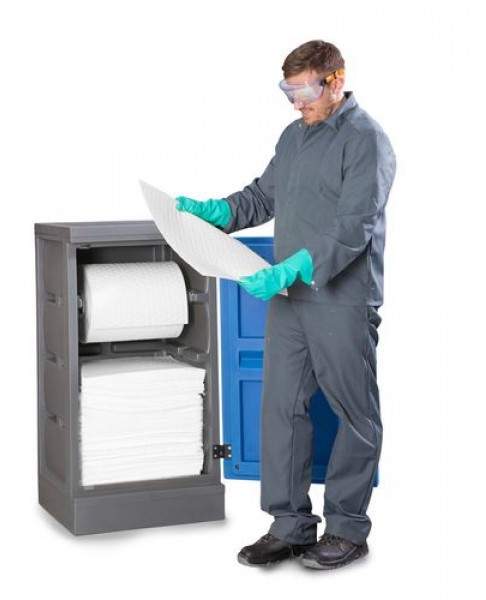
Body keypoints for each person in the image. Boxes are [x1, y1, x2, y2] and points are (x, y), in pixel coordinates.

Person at [176, 40, 396, 570]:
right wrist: (216, 211)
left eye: (304, 90)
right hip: (290, 299)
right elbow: (262, 197)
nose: (296, 102)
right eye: (287, 91)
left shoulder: (367, 141)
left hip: (341, 298)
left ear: (336, 81)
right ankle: (291, 525)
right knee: (280, 408)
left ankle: (347, 529)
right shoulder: (293, 137)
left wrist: (294, 266)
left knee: (354, 413)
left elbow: (354, 226)